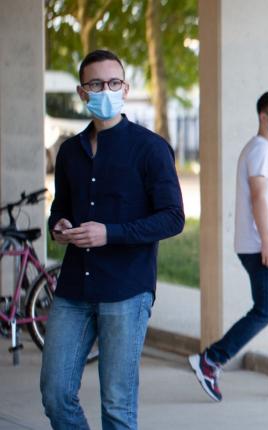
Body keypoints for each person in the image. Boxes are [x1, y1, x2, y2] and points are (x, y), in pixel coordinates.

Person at [41, 49, 185, 430]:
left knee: (118, 408)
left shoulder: (150, 148)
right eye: (96, 84)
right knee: (55, 395)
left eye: (114, 82)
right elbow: (60, 209)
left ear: (125, 87)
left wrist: (110, 233)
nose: (106, 89)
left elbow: (173, 218)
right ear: (82, 91)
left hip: (126, 290)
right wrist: (60, 225)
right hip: (73, 289)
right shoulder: (69, 151)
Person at [189, 91, 268, 401]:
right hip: (261, 245)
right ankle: (211, 359)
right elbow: (258, 198)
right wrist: (267, 242)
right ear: (263, 115)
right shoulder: (259, 150)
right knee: (267, 310)